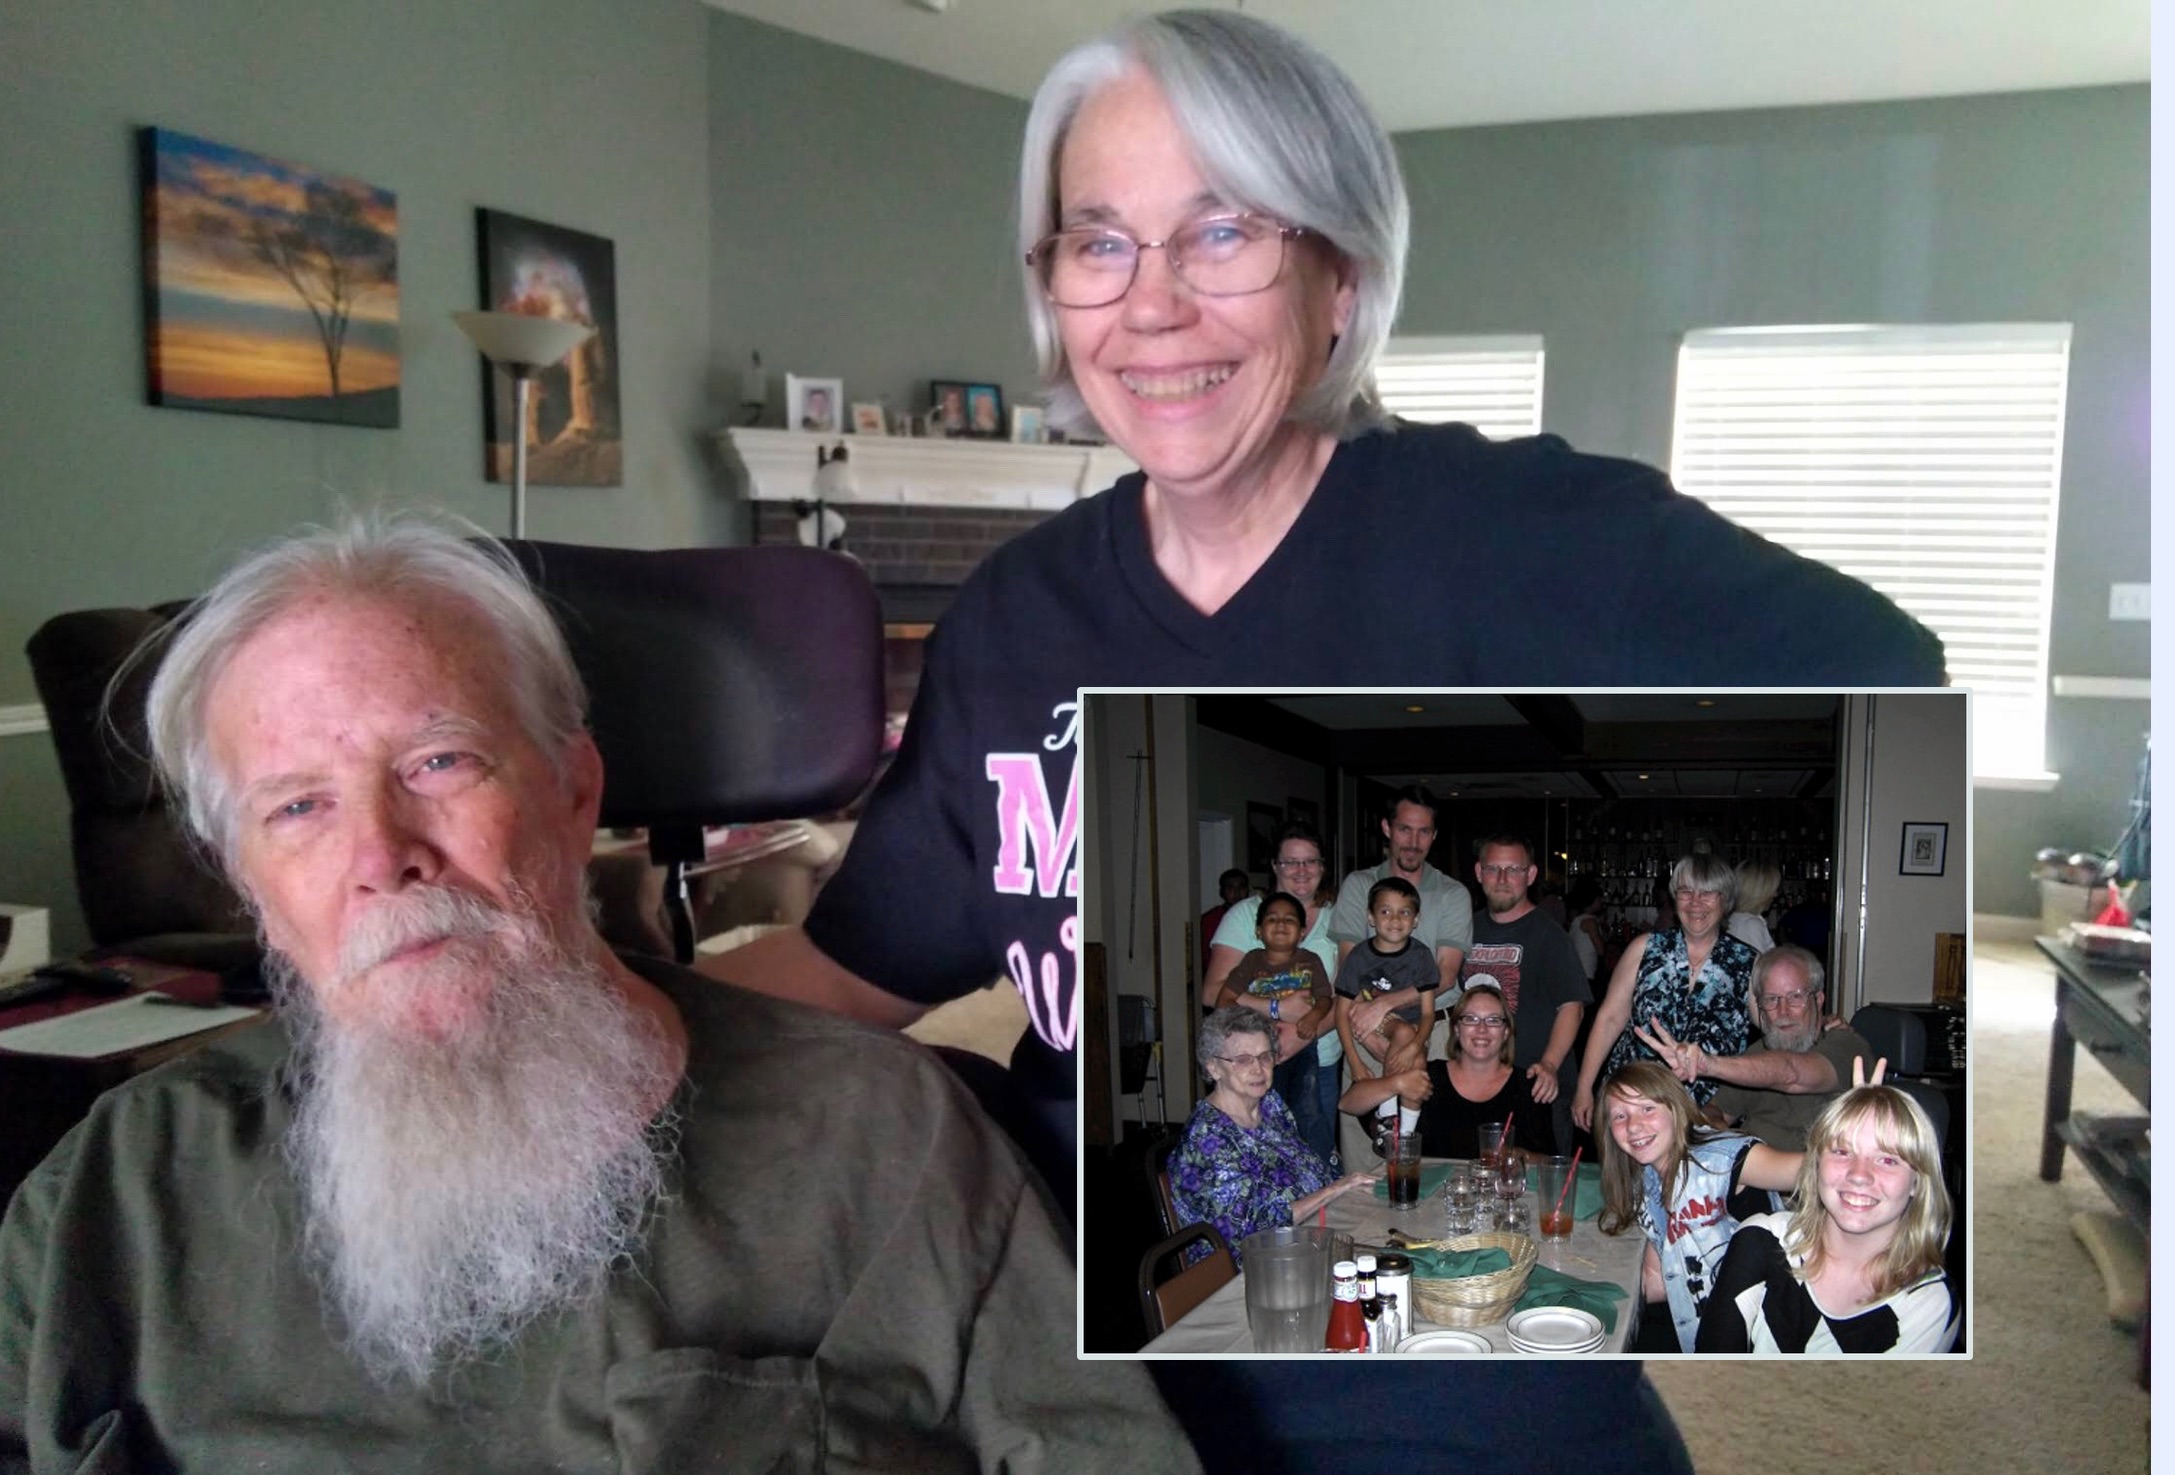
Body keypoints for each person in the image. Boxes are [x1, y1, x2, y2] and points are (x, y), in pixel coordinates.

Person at [706, 10, 1942, 1472]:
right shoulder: (1017, 618)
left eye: (1221, 231)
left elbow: (1887, 672)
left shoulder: (1523, 532)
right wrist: (599, 990)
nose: (1151, 304)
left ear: (1339, 273)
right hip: (1098, 1332)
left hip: (1427, 1345)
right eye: (1099, 241)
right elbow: (858, 965)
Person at [0, 518, 1192, 1471]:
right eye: (297, 805)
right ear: (245, 879)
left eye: (438, 762)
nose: (380, 854)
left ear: (575, 791)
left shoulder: (886, 1140)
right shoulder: (113, 1201)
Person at [1697, 1081, 1959, 1353]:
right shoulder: (1762, 1239)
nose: (1859, 1175)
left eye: (1888, 1160)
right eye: (1842, 1152)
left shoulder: (1928, 1301)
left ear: (1918, 1181)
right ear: (1816, 1164)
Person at [1595, 1062, 1802, 1353]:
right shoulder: (1646, 1179)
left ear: (1675, 1108)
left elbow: (1811, 1170)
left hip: (1760, 1341)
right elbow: (1657, 1279)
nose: (1633, 1125)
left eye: (1647, 1108)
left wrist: (1857, 1136)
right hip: (1702, 1332)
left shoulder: (1724, 1157)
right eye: (1619, 1115)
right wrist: (1584, 1293)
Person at [1168, 1006, 1379, 1268]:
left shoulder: (1269, 1104)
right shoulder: (1208, 1138)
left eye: (1265, 1057)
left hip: (1308, 1237)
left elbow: (1308, 1168)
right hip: (1252, 1268)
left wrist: (1341, 1189)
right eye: (1243, 1060)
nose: (1258, 1069)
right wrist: (1335, 1189)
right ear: (1214, 1068)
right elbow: (1254, 1231)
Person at [1573, 852, 1760, 1132]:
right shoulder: (1644, 948)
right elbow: (1609, 1018)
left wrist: (1820, 1027)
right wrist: (1584, 1087)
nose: (1695, 902)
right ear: (1674, 898)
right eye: (1686, 892)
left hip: (1707, 1114)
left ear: (1726, 899)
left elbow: (1774, 1028)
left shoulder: (1748, 962)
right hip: (1633, 1103)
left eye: (1708, 893)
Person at [1644, 944, 1875, 1155]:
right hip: (1751, 1176)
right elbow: (1716, 1109)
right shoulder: (1758, 1054)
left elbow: (1790, 1073)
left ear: (1819, 999)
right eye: (1771, 999)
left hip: (1813, 1180)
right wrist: (1718, 1133)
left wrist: (1708, 1064)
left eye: (1795, 997)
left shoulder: (1847, 1045)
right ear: (1760, 1007)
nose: (1783, 1011)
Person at [1205, 824, 1342, 1168]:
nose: (1301, 870)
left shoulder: (1338, 918)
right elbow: (1212, 993)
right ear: (1274, 866)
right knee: (1261, 1152)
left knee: (1314, 1145)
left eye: (1310, 861)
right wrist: (1278, 1007)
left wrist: (1303, 1032)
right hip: (1253, 1061)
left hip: (1321, 1058)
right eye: (1290, 862)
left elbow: (1345, 994)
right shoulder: (1244, 916)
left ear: (1322, 867)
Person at [1459, 834, 1590, 1151]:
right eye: (1493, 869)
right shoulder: (1464, 929)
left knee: (1541, 1178)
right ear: (1479, 873)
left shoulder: (1549, 935)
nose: (1502, 879)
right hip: (1481, 1084)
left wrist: (1549, 1064)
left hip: (1536, 1087)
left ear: (1530, 875)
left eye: (1513, 870)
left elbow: (1572, 1007)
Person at [1340, 980, 1556, 1160]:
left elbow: (1550, 1161)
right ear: (1456, 1029)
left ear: (1506, 1032)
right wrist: (1396, 1083)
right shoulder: (1429, 1075)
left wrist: (1521, 1157)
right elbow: (1347, 1103)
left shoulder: (1527, 1086)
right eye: (1470, 1019)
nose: (1481, 1029)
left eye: (1493, 1020)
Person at [1329, 786, 1471, 1006]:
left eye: (1424, 832)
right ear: (1387, 828)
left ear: (1434, 835)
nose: (1413, 843)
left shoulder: (1453, 894)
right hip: (1368, 1016)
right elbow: (1349, 967)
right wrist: (1377, 1015)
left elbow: (1445, 976)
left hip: (1435, 1020)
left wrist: (1386, 1004)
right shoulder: (1358, 886)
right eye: (1405, 829)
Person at [1331, 876, 1438, 1153]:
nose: (1395, 919)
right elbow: (1340, 1012)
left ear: (1416, 919)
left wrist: (1413, 1047)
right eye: (1385, 911)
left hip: (1414, 1026)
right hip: (1376, 1021)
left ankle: (1404, 1137)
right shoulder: (1359, 957)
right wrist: (1354, 1061)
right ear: (1370, 917)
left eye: (1404, 912)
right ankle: (1388, 1117)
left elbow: (1428, 1014)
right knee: (1403, 1031)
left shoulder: (1422, 956)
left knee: (1418, 1063)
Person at [1209, 890, 1335, 1107]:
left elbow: (1325, 998)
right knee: (1262, 1107)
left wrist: (1314, 1017)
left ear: (1302, 932)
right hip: (1258, 1050)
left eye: (1289, 920)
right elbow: (1224, 1001)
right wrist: (1253, 1025)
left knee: (1306, 1106)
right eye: (1272, 919)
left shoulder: (1311, 961)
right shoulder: (1252, 960)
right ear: (1259, 931)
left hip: (1301, 1046)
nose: (1281, 924)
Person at [1201, 866, 1251, 975]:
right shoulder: (1209, 919)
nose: (1237, 892)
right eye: (1230, 887)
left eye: (1241, 887)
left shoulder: (1256, 915)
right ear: (1222, 892)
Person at [1728, 859, 1780, 954]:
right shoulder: (1750, 924)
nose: (1775, 894)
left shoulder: (1736, 919)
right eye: (1773, 889)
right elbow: (1758, 962)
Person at [1567, 875, 1606, 986]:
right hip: (1585, 973)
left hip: (1575, 971)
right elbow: (1601, 950)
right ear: (1592, 899)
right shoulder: (1590, 922)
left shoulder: (1578, 918)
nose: (1601, 901)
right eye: (1599, 899)